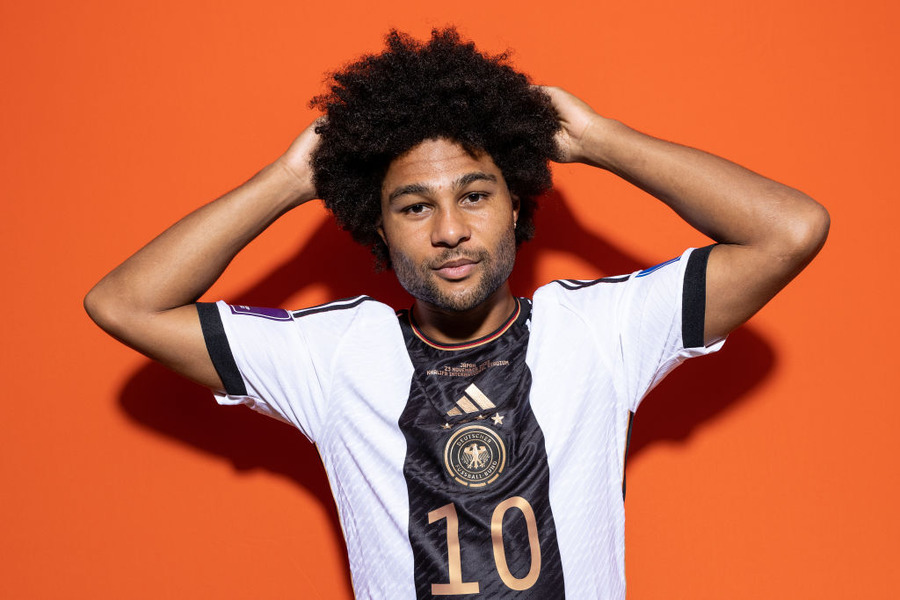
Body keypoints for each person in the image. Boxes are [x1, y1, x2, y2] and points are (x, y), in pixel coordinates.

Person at [85, 28, 828, 600]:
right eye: (415, 206)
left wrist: (602, 141)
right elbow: (123, 303)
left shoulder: (601, 333)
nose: (449, 230)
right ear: (376, 225)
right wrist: (283, 182)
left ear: (516, 206)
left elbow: (790, 229)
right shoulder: (336, 356)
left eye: (475, 194)